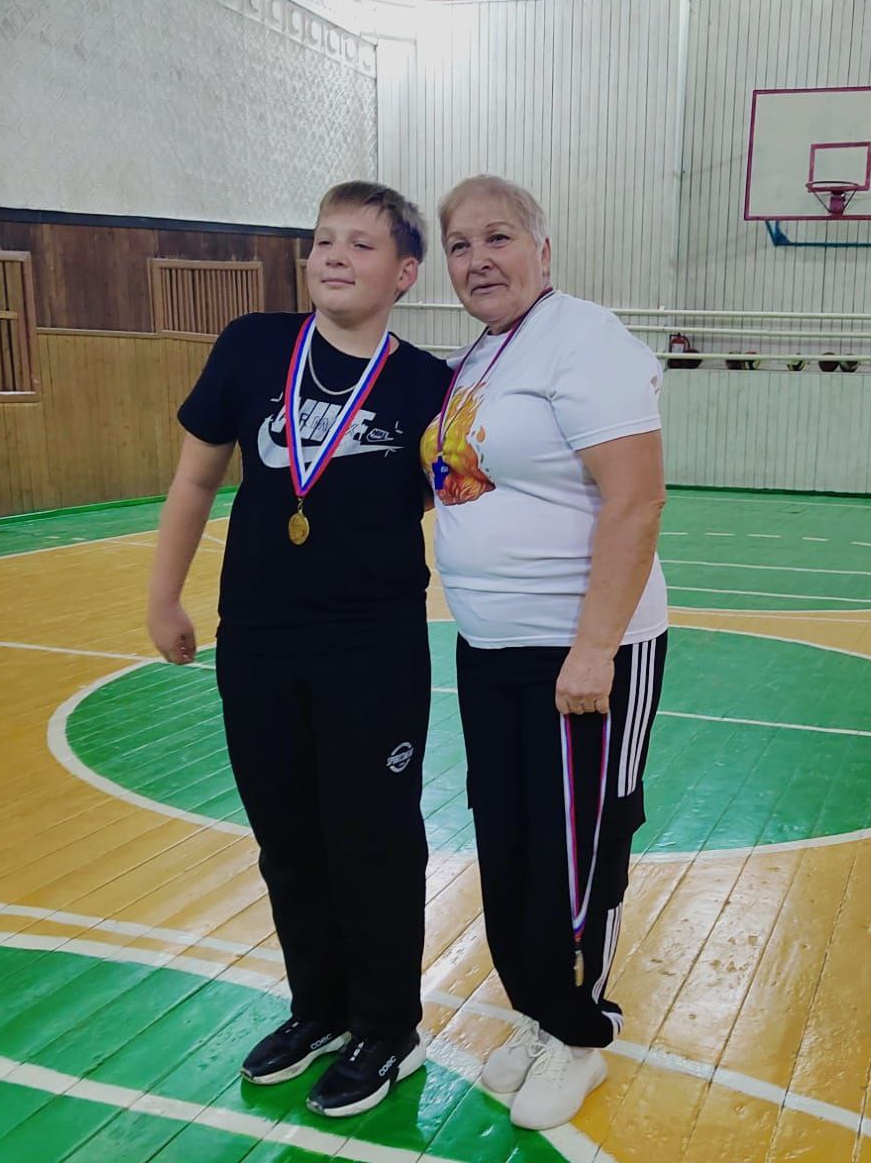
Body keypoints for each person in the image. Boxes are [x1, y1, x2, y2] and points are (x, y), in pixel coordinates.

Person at [147, 181, 450, 1117]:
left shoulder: (429, 384)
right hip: (259, 641)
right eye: (323, 240)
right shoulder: (252, 346)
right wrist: (163, 594)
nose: (334, 257)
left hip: (373, 649)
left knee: (373, 839)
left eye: (361, 244)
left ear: (403, 273)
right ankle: (318, 1008)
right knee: (286, 836)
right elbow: (196, 480)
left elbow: (454, 504)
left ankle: (386, 1027)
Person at [421, 176, 668, 1131]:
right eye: (459, 244)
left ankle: (579, 1032)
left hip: (580, 652)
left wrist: (593, 649)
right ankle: (537, 1010)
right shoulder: (480, 355)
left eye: (498, 237)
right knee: (511, 840)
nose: (478, 260)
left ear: (542, 249)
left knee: (580, 847)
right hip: (490, 647)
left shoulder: (583, 338)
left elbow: (635, 500)